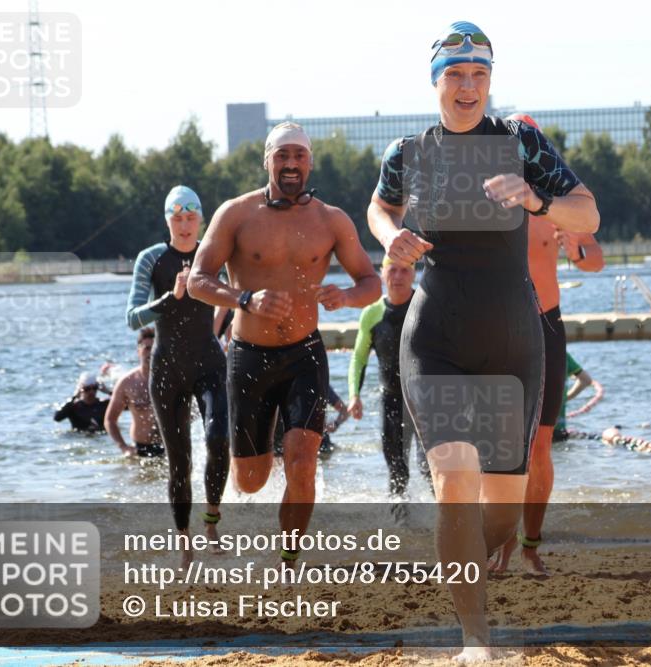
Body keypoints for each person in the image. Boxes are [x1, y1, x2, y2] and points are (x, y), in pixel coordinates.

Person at [367, 22, 599, 661]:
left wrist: (535, 200)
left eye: (479, 75)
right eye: (455, 75)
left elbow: (588, 213)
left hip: (513, 341)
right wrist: (391, 237)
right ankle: (476, 641)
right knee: (454, 473)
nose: (468, 87)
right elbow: (379, 206)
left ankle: (487, 551)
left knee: (501, 510)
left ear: (490, 82)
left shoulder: (521, 142)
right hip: (434, 334)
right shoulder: (409, 150)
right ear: (436, 80)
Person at [186, 122, 380, 565]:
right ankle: (239, 489)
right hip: (249, 357)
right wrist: (243, 299)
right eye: (282, 155)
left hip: (304, 354)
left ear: (310, 163)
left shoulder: (331, 220)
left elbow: (371, 281)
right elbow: (197, 280)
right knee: (251, 480)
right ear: (268, 160)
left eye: (299, 156)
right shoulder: (236, 214)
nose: (291, 164)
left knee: (303, 460)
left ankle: (289, 557)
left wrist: (347, 296)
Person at [490, 112, 604, 575]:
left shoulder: (558, 203)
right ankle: (498, 543)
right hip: (495, 329)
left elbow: (593, 259)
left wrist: (572, 245)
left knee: (538, 448)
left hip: (546, 326)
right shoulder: (487, 201)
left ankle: (530, 545)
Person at [126, 185, 230, 568]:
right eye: (177, 217)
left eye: (191, 217)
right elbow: (132, 316)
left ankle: (211, 519)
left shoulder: (212, 253)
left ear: (201, 218)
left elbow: (239, 293)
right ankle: (184, 539)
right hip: (167, 368)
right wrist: (170, 298)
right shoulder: (151, 258)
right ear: (167, 219)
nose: (185, 225)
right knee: (179, 461)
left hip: (209, 363)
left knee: (219, 440)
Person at [347, 256, 431, 500]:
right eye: (392, 270)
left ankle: (448, 526)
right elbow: (359, 359)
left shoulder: (426, 306)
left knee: (431, 468)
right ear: (382, 273)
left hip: (427, 401)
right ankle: (400, 530)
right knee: (396, 472)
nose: (398, 277)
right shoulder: (372, 314)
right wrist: (354, 395)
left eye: (405, 271)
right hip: (391, 400)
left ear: (414, 274)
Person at [104, 327, 163, 457]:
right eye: (147, 348)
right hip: (141, 449)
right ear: (139, 351)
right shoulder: (127, 383)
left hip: (170, 447)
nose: (151, 353)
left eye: (154, 348)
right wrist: (123, 447)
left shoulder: (171, 379)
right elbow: (110, 419)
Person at [553, 352, 604, 442]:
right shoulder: (562, 353)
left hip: (535, 429)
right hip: (559, 430)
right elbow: (586, 380)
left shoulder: (529, 350)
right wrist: (565, 397)